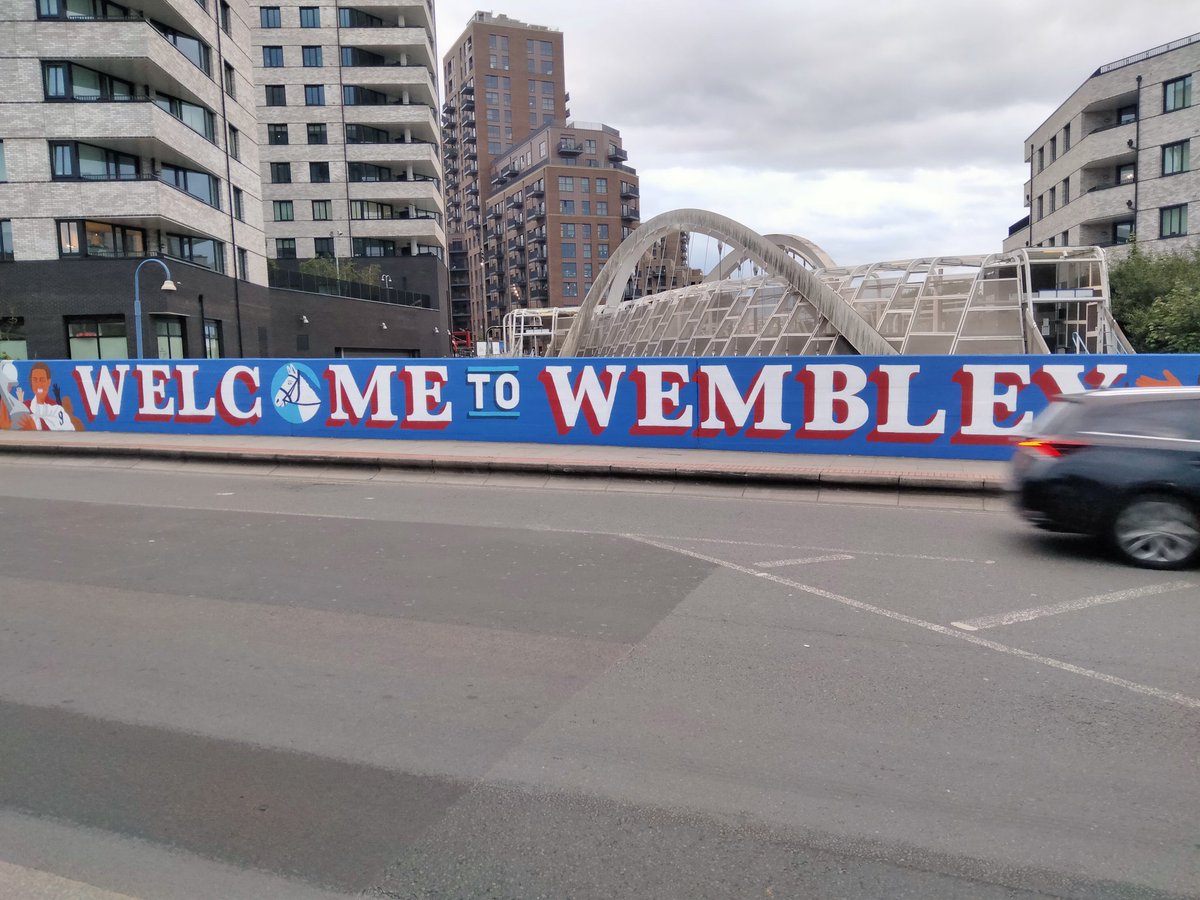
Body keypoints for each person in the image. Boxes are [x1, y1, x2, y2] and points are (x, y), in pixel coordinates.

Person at [14, 362, 85, 431]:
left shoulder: (57, 408)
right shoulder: (26, 405)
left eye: (42, 380)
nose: (39, 384)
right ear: (31, 382)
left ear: (48, 382)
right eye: (35, 380)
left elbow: (67, 428)